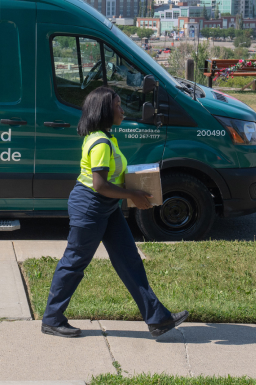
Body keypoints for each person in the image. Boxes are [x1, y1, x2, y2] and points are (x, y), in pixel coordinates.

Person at [41, 86, 188, 338]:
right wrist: (132, 194)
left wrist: (137, 185)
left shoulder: (106, 138)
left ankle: (158, 319)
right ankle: (52, 319)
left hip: (106, 206)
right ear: (105, 110)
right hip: (90, 206)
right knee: (75, 261)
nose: (122, 110)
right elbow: (99, 184)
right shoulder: (100, 142)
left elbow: (111, 180)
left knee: (129, 260)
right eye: (118, 105)